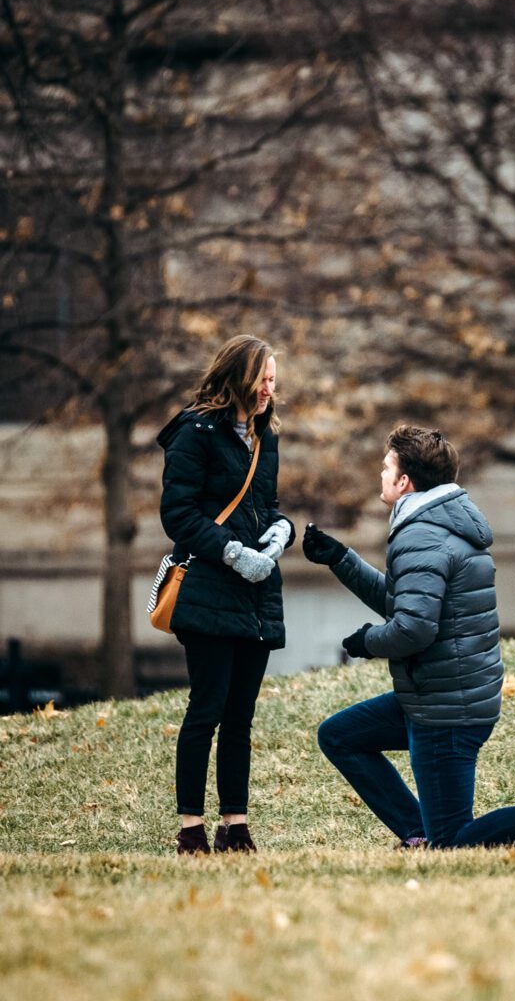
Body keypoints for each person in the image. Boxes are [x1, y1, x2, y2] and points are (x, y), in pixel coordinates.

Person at [303, 424, 515, 850]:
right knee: (340, 735)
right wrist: (342, 560)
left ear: (405, 480)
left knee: (452, 841)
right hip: (441, 693)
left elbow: (412, 628)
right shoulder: (439, 524)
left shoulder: (420, 535)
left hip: (446, 711)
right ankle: (418, 832)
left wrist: (367, 642)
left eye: (385, 466)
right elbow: (409, 604)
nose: (380, 474)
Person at [158, 334, 295, 855]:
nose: (268, 389)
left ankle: (234, 825)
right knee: (206, 709)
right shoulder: (195, 434)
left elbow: (267, 505)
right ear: (238, 376)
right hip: (210, 588)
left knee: (241, 716)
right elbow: (179, 515)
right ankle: (190, 827)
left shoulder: (266, 436)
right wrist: (233, 552)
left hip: (256, 596)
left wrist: (282, 532)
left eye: (274, 380)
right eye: (262, 378)